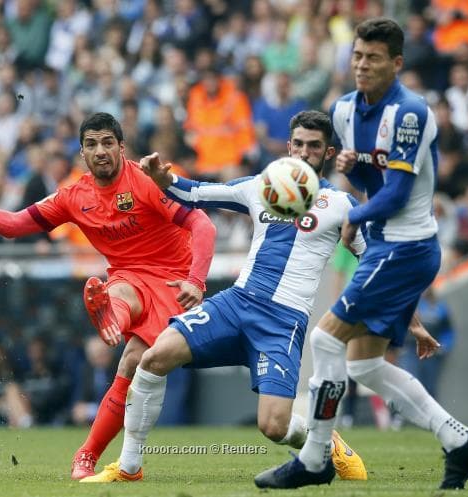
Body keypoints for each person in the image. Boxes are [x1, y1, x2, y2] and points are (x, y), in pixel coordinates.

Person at [254, 18, 468, 491]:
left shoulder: (410, 113)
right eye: (358, 55)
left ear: (396, 63)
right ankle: (460, 440)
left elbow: (399, 194)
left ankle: (317, 459)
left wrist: (356, 216)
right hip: (384, 246)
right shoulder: (343, 110)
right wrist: (353, 172)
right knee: (362, 365)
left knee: (324, 342)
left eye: (373, 58)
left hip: (406, 246)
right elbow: (371, 184)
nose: (361, 65)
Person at [80, 110, 371, 483]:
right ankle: (128, 468)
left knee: (273, 426)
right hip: (237, 304)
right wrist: (163, 178)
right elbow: (196, 193)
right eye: (297, 144)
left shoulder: (342, 205)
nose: (303, 153)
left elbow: (375, 259)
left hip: (282, 323)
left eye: (313, 147)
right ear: (288, 147)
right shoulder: (261, 187)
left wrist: (402, 317)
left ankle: (328, 444)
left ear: (328, 153)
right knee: (152, 358)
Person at [0, 112, 216, 478]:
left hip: (175, 281)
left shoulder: (144, 180)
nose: (100, 151)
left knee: (130, 363)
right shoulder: (73, 196)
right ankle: (111, 318)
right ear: (81, 152)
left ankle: (89, 450)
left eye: (107, 142)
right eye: (92, 144)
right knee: (119, 298)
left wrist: (197, 280)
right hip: (127, 278)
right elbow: (16, 225)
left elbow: (201, 223)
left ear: (121, 148)